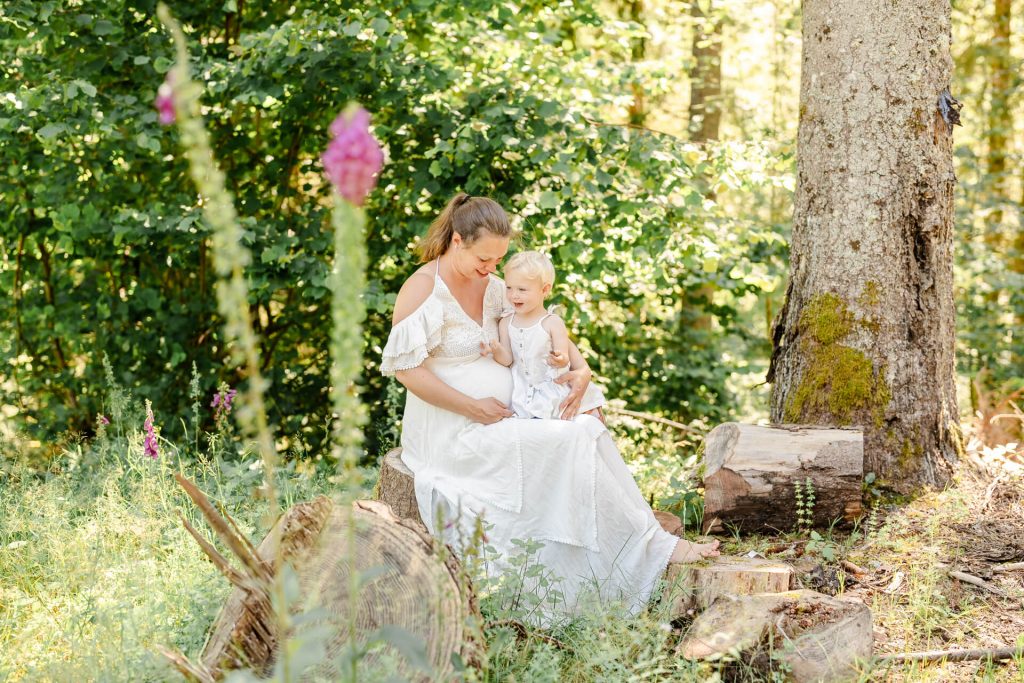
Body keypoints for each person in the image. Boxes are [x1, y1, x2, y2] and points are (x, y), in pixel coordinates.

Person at [380, 192, 718, 621]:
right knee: (568, 441)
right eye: (484, 259)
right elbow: (408, 372)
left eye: (498, 262)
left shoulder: (497, 288)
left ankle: (641, 545)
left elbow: (539, 325)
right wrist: (471, 407)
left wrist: (582, 369)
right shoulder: (423, 288)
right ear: (458, 241)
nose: (490, 271)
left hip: (506, 414)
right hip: (451, 430)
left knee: (587, 429)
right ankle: (643, 549)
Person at [483, 250, 606, 420]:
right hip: (526, 390)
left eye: (522, 289)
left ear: (545, 289)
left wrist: (559, 359)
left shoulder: (552, 322)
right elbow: (507, 359)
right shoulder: (506, 323)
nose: (513, 295)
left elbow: (564, 357)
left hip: (554, 386)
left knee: (579, 423)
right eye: (509, 288)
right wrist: (496, 349)